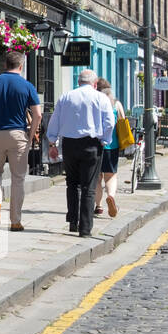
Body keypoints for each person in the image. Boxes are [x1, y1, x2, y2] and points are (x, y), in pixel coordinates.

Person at [0, 50, 43, 232]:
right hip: (18, 134)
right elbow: (37, 114)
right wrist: (30, 135)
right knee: (18, 178)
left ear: (5, 65)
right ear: (21, 66)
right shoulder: (27, 85)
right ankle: (15, 221)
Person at [47, 69, 115, 237]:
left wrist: (52, 142)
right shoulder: (101, 98)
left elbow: (54, 121)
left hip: (69, 144)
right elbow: (109, 123)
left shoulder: (66, 97)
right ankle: (85, 229)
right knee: (88, 187)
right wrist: (105, 140)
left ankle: (73, 222)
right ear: (95, 84)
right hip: (92, 144)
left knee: (72, 183)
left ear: (78, 82)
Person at [94, 78, 125, 219]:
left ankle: (98, 206)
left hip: (95, 144)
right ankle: (111, 196)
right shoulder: (116, 104)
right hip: (112, 145)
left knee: (97, 177)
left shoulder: (94, 103)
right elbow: (122, 122)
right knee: (110, 175)